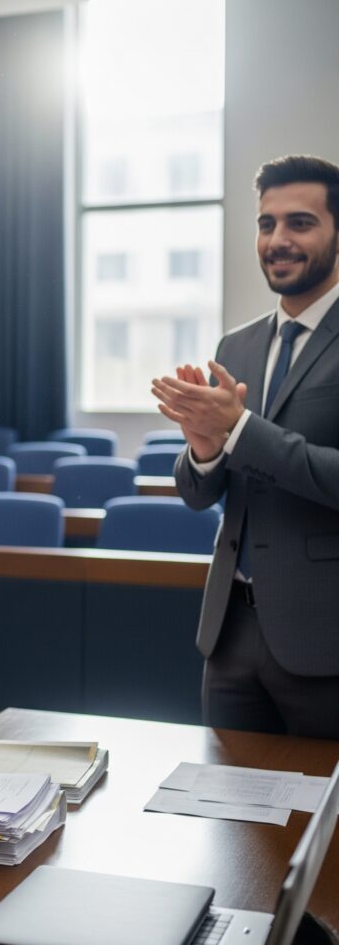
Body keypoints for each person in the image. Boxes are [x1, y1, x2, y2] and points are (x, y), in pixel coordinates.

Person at [152, 154, 339, 738]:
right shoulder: (237, 344)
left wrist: (240, 430)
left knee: (326, 828)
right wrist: (205, 449)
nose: (278, 240)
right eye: (267, 224)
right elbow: (198, 493)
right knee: (231, 823)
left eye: (300, 223)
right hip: (229, 636)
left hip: (326, 641)